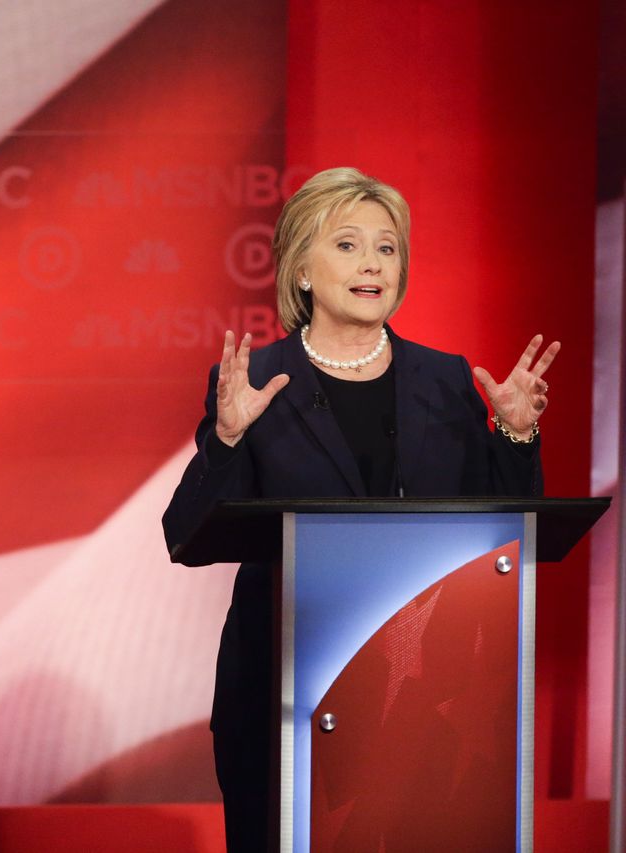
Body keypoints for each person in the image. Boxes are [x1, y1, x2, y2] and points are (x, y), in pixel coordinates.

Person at [162, 167, 557, 852]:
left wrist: (515, 436)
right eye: (347, 244)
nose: (373, 262)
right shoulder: (256, 382)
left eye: (387, 246)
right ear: (302, 269)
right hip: (284, 693)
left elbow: (497, 528)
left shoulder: (444, 379)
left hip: (426, 697)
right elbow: (187, 535)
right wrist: (227, 439)